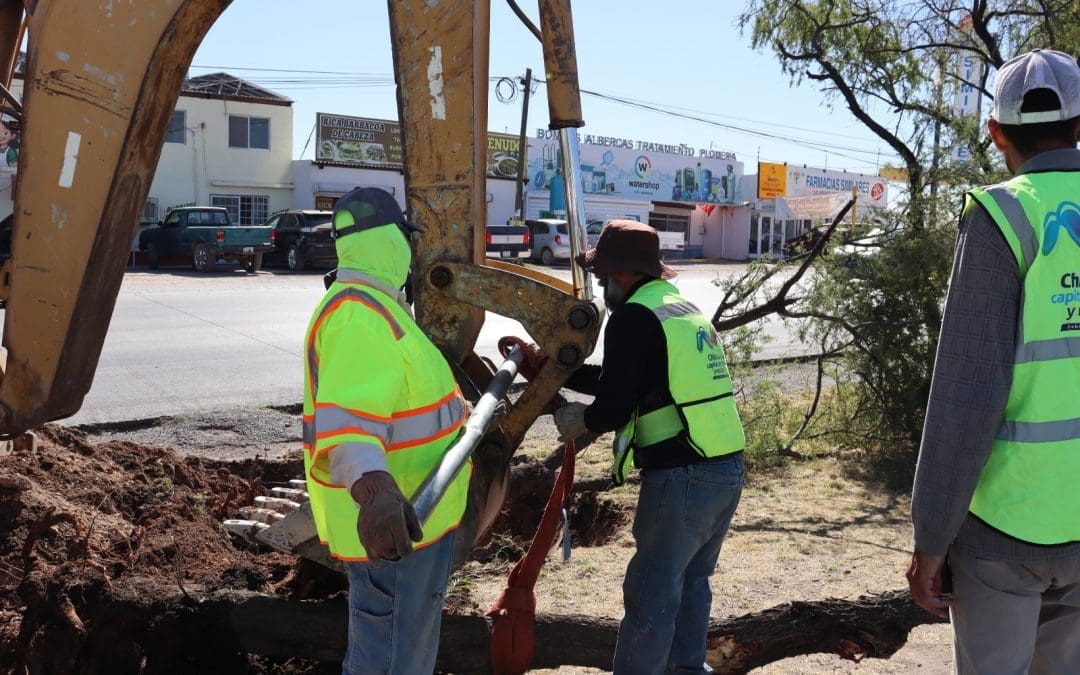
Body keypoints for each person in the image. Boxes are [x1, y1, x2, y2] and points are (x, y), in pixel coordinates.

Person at [907, 49, 1080, 673]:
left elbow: (966, 394)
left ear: (995, 131)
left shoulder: (1002, 215)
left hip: (1004, 528)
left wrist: (931, 539)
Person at [553, 220, 746, 674]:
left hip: (682, 476)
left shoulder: (632, 316)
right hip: (725, 466)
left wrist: (579, 419)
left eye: (601, 279)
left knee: (652, 599)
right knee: (692, 586)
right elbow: (630, 378)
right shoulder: (676, 307)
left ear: (621, 274)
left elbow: (614, 406)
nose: (600, 287)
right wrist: (560, 371)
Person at [302, 187, 469, 674]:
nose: (409, 249)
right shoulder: (359, 314)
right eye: (404, 237)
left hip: (417, 518)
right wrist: (374, 492)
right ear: (388, 239)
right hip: (395, 529)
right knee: (392, 660)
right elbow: (350, 420)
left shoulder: (379, 305)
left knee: (405, 652)